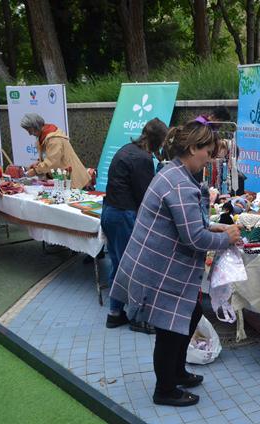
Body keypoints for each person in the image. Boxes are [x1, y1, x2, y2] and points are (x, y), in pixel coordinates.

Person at [109, 118, 241, 407]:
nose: (210, 158)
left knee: (190, 315)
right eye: (208, 151)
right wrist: (226, 238)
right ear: (194, 148)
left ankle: (177, 372)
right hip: (161, 271)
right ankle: (165, 389)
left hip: (160, 267)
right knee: (170, 331)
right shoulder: (181, 183)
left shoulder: (172, 173)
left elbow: (187, 225)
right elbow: (193, 238)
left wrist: (214, 229)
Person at [102, 118, 168, 334]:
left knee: (118, 262)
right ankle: (138, 317)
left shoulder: (127, 149)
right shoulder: (143, 159)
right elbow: (146, 196)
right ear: (159, 141)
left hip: (110, 212)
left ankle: (114, 312)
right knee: (134, 266)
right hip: (123, 215)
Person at [20, 113, 90, 189]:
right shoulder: (43, 137)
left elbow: (51, 162)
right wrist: (38, 163)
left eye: (29, 130)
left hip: (73, 180)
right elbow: (47, 156)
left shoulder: (54, 139)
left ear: (35, 126)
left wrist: (36, 171)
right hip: (62, 179)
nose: (29, 134)